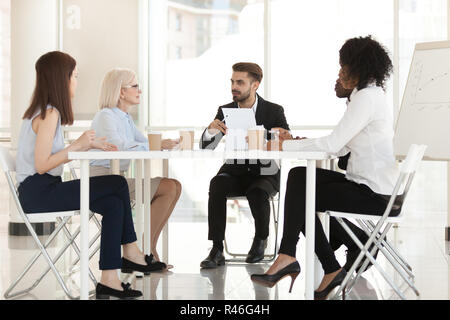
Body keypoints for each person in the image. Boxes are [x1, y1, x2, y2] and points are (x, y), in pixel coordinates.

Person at [252, 35, 399, 300]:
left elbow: (333, 145)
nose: (340, 72)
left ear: (359, 66)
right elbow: (341, 147)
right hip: (370, 186)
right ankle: (314, 263)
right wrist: (296, 142)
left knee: (301, 193)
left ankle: (297, 258)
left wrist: (283, 146)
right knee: (299, 179)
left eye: (344, 66)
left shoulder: (366, 98)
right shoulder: (367, 96)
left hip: (374, 194)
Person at [16, 51, 160, 299]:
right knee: (116, 182)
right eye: (74, 76)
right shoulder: (49, 114)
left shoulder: (44, 111)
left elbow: (48, 157)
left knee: (114, 202)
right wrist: (78, 146)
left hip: (43, 189)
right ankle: (131, 252)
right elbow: (41, 165)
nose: (76, 81)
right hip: (39, 192)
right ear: (61, 79)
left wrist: (86, 145)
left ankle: (109, 279)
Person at [199, 62, 290, 268]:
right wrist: (211, 131)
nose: (234, 86)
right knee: (217, 184)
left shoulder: (274, 111)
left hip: (265, 172)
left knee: (257, 191)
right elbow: (206, 147)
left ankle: (260, 239)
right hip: (235, 171)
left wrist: (268, 139)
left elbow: (287, 141)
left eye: (240, 82)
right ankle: (216, 248)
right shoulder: (225, 110)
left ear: (255, 85)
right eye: (232, 81)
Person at [90, 68, 182, 267]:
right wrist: (155, 145)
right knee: (168, 187)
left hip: (117, 179)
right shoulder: (106, 116)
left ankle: (148, 248)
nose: (139, 90)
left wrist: (166, 143)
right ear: (121, 92)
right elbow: (119, 147)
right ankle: (143, 250)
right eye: (135, 86)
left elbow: (144, 142)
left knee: (174, 185)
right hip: (102, 181)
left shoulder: (125, 118)